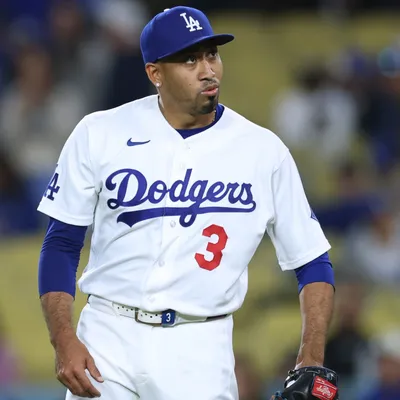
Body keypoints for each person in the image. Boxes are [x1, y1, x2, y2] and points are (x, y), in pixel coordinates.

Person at [37, 6, 337, 400]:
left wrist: (310, 359)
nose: (207, 70)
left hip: (199, 344)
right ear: (155, 73)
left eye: (212, 54)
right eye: (189, 59)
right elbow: (61, 243)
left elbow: (313, 261)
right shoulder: (100, 132)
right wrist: (63, 339)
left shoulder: (263, 151)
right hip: (108, 336)